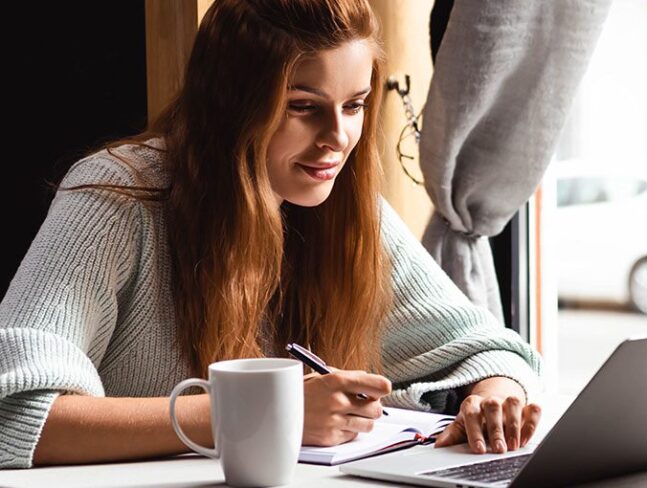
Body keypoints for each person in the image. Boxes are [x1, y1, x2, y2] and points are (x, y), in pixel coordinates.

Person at [0, 0, 542, 469]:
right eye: (303, 108)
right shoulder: (114, 196)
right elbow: (15, 415)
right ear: (232, 105)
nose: (338, 138)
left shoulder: (345, 208)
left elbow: (492, 350)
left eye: (353, 106)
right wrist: (260, 411)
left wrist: (495, 395)